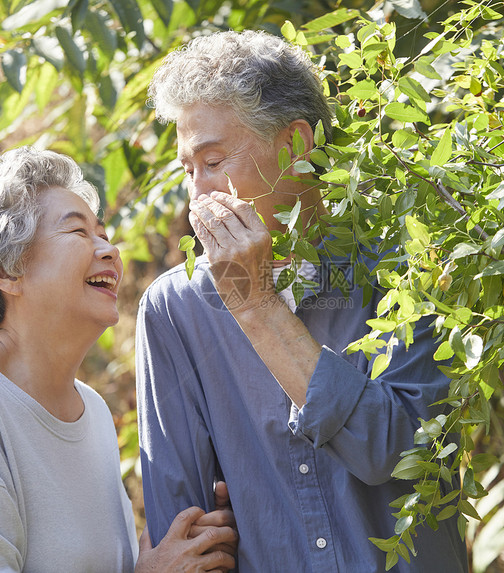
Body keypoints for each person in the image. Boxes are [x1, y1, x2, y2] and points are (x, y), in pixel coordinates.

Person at [137, 30, 469, 572]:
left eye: (214, 161)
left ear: (295, 146)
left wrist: (257, 307)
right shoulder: (175, 310)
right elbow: (188, 537)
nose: (198, 194)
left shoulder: (407, 269)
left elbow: (396, 451)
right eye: (187, 170)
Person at [0, 146, 237, 572]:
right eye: (78, 233)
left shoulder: (91, 412)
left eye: (103, 233)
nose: (110, 250)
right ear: (6, 271)